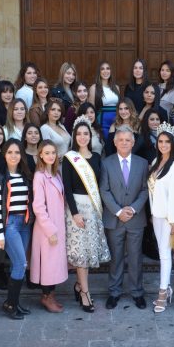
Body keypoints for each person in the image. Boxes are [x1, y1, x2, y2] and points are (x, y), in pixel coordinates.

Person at [100, 125, 150, 310]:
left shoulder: (142, 163)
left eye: (128, 140)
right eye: (120, 139)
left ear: (133, 142)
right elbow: (104, 190)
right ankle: (114, 292)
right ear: (114, 142)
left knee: (136, 257)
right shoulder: (106, 163)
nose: (124, 143)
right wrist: (119, 211)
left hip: (135, 218)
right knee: (116, 257)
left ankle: (137, 292)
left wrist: (134, 209)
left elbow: (145, 190)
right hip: (115, 219)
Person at [63, 120, 110, 313]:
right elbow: (66, 187)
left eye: (86, 134)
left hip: (93, 208)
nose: (83, 137)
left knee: (88, 251)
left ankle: (79, 286)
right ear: (75, 137)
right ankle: (85, 294)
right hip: (76, 209)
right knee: (81, 253)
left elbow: (100, 186)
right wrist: (74, 213)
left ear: (91, 137)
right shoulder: (69, 158)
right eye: (79, 134)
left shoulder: (97, 158)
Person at [0, 139, 34, 319]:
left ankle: (13, 302)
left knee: (19, 265)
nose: (14, 156)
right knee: (21, 263)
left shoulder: (25, 177)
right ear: (4, 155)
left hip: (24, 224)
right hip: (9, 226)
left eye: (17, 152)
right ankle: (10, 305)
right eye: (10, 152)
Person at [147, 122, 174, 313]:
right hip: (156, 216)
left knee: (164, 253)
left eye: (167, 142)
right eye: (160, 141)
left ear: (173, 144)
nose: (163, 145)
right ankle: (165, 287)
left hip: (169, 219)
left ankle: (163, 291)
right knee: (163, 252)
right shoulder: (155, 162)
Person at [31, 140, 69, 312]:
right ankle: (46, 297)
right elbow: (38, 206)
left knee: (53, 264)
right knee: (47, 265)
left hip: (58, 225)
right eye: (47, 153)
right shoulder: (40, 176)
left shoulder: (56, 174)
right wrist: (50, 231)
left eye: (53, 152)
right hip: (47, 228)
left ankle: (51, 295)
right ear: (40, 155)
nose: (50, 156)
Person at [89, 61, 121, 138]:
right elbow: (91, 109)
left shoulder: (116, 87)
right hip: (102, 121)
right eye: (102, 69)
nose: (105, 71)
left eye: (108, 68)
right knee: (105, 144)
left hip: (116, 121)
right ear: (99, 72)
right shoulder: (94, 88)